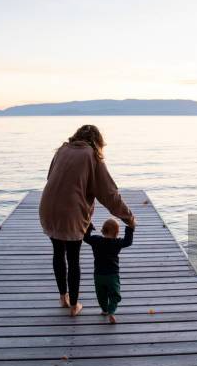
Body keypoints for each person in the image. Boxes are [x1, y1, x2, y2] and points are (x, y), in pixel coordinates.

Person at [39, 125, 135, 316]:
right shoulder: (92, 156)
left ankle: (63, 298)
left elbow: (50, 176)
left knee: (58, 252)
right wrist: (129, 218)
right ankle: (74, 306)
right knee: (73, 258)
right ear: (97, 142)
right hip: (70, 212)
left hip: (47, 207)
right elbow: (110, 194)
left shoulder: (62, 150)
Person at [83, 218, 134, 323]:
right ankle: (111, 312)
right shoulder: (117, 242)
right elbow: (128, 241)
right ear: (116, 232)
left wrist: (89, 227)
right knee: (115, 294)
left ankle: (104, 309)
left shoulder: (96, 240)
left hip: (98, 274)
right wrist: (130, 227)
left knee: (101, 294)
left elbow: (86, 238)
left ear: (103, 230)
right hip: (112, 275)